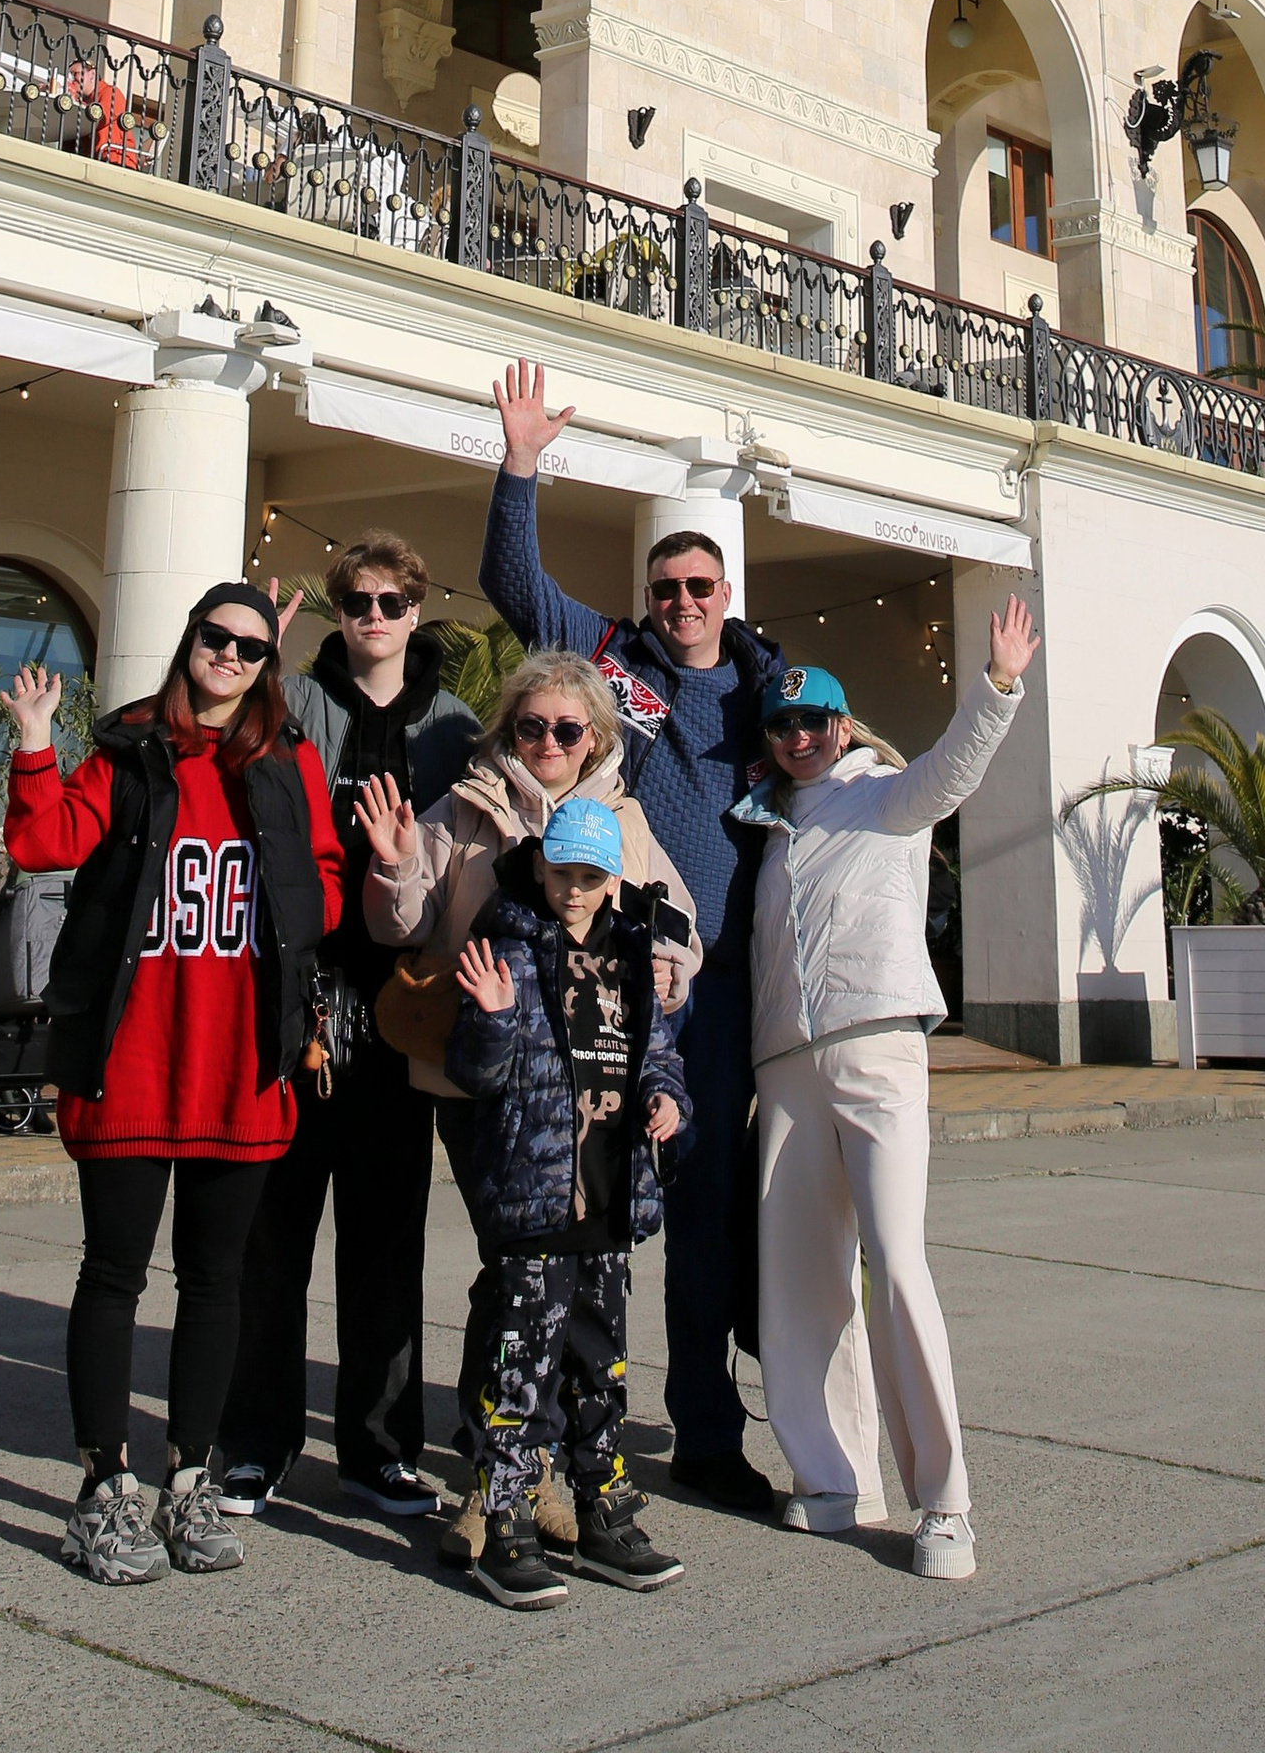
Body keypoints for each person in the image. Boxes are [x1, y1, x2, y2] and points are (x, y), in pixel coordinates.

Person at [480, 357, 784, 1509]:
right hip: (632, 985)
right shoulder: (614, 664)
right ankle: (588, 1428)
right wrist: (522, 463)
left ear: (725, 588)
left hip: (748, 988)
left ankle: (728, 1418)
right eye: (668, 587)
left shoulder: (769, 691)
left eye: (700, 585)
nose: (683, 602)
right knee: (608, 1212)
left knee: (732, 1212)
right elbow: (511, 582)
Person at [0, 587, 343, 1585]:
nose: (227, 657)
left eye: (246, 645)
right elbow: (43, 840)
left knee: (216, 1283)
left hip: (239, 1063)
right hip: (136, 1058)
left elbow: (322, 878)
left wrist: (296, 904)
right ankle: (105, 1490)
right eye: (212, 638)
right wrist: (32, 742)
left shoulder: (288, 761)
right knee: (113, 1275)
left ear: (265, 659)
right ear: (187, 642)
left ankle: (188, 1477)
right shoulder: (134, 749)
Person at [356, 647, 701, 1563]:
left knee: (563, 1281)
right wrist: (396, 865)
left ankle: (530, 1467)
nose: (546, 742)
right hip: (487, 1081)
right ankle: (503, 1472)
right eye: (530, 726)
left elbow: (677, 928)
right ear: (508, 729)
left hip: (590, 1098)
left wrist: (671, 972)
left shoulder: (622, 821)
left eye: (566, 729)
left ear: (595, 737)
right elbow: (399, 923)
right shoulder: (466, 807)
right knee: (514, 1268)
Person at [742, 602, 1035, 1585]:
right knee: (797, 1281)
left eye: (813, 723)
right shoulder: (771, 822)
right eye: (781, 727)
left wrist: (994, 689)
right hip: (784, 1063)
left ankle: (944, 1505)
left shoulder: (884, 795)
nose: (797, 740)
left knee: (895, 1266)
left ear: (843, 724)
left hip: (876, 1050)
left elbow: (951, 772)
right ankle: (830, 1479)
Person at [215, 532, 478, 1519]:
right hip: (290, 1004)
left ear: (416, 611)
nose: (373, 618)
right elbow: (224, 763)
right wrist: (256, 672)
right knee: (271, 1240)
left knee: (384, 1241)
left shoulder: (453, 729)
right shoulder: (292, 704)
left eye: (390, 603)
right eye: (357, 602)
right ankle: (255, 1443)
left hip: (399, 1011)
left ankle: (378, 1450)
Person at [446, 790, 690, 1606]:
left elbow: (658, 1056)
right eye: (562, 873)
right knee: (522, 1367)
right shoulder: (508, 949)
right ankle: (506, 1521)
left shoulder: (632, 955)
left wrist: (667, 1099)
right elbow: (475, 1075)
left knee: (601, 1364)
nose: (575, 890)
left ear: (613, 879)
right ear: (542, 869)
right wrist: (489, 1019)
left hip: (608, 1199)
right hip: (537, 1200)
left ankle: (604, 1511)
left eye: (591, 876)